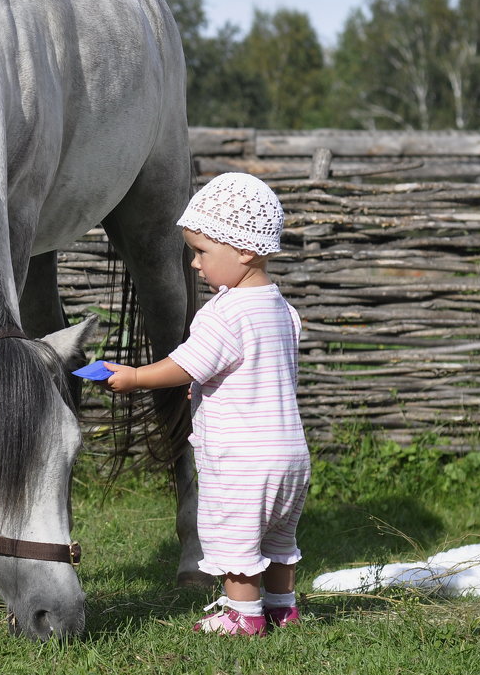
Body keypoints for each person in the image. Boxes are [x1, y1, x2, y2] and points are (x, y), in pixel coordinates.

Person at [101, 172, 309, 637]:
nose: (194, 264)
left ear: (244, 252)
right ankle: (281, 607)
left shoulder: (223, 313)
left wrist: (136, 376)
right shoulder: (282, 308)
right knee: (277, 540)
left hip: (242, 458)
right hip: (290, 456)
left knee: (238, 540)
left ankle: (244, 616)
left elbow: (185, 365)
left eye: (201, 252)